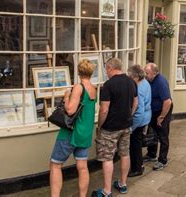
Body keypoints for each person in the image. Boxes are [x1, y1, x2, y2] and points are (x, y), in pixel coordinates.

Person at [50, 59, 97, 197]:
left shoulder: (79, 87)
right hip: (85, 132)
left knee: (55, 165)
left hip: (72, 132)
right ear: (91, 72)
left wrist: (66, 97)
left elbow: (70, 110)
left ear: (78, 71)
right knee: (82, 167)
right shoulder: (93, 89)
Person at [93, 58, 137, 197]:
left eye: (106, 69)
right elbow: (135, 102)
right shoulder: (131, 82)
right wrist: (129, 114)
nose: (106, 72)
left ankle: (107, 191)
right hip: (126, 125)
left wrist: (100, 125)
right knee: (125, 154)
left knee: (107, 158)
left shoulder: (108, 85)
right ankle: (123, 184)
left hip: (110, 128)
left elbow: (104, 109)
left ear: (111, 68)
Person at [143, 63, 173, 171]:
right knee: (153, 132)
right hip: (153, 110)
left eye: (147, 73)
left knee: (163, 135)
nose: (145, 75)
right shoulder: (149, 80)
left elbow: (167, 101)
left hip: (163, 110)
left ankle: (162, 160)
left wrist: (162, 116)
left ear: (154, 73)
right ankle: (151, 155)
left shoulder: (161, 82)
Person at [127, 64, 152, 177]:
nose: (128, 77)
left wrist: (132, 128)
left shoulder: (139, 88)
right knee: (138, 143)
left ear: (135, 76)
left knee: (135, 145)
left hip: (140, 121)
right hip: (146, 117)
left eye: (130, 75)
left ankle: (136, 169)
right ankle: (140, 164)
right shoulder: (145, 82)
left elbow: (139, 112)